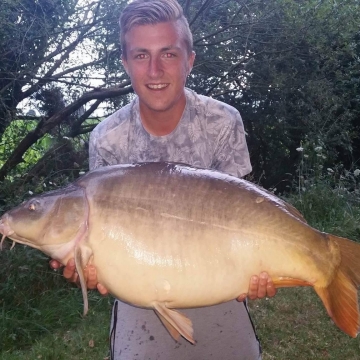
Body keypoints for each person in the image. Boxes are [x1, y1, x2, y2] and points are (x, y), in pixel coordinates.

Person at [50, 0, 276, 359]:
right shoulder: (108, 138)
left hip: (217, 280)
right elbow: (101, 249)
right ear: (126, 64)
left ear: (189, 60)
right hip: (139, 294)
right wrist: (88, 268)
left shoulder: (222, 121)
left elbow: (241, 214)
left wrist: (259, 268)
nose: (155, 70)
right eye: (141, 56)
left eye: (168, 54)